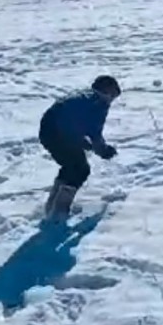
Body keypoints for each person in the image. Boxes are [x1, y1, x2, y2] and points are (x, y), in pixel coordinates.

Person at [38, 76, 121, 222]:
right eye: (113, 95)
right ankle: (59, 212)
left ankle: (52, 206)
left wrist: (82, 141)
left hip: (47, 130)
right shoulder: (99, 103)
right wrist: (103, 150)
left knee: (70, 166)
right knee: (80, 169)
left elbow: (72, 119)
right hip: (59, 134)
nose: (112, 100)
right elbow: (94, 133)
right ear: (107, 92)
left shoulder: (85, 95)